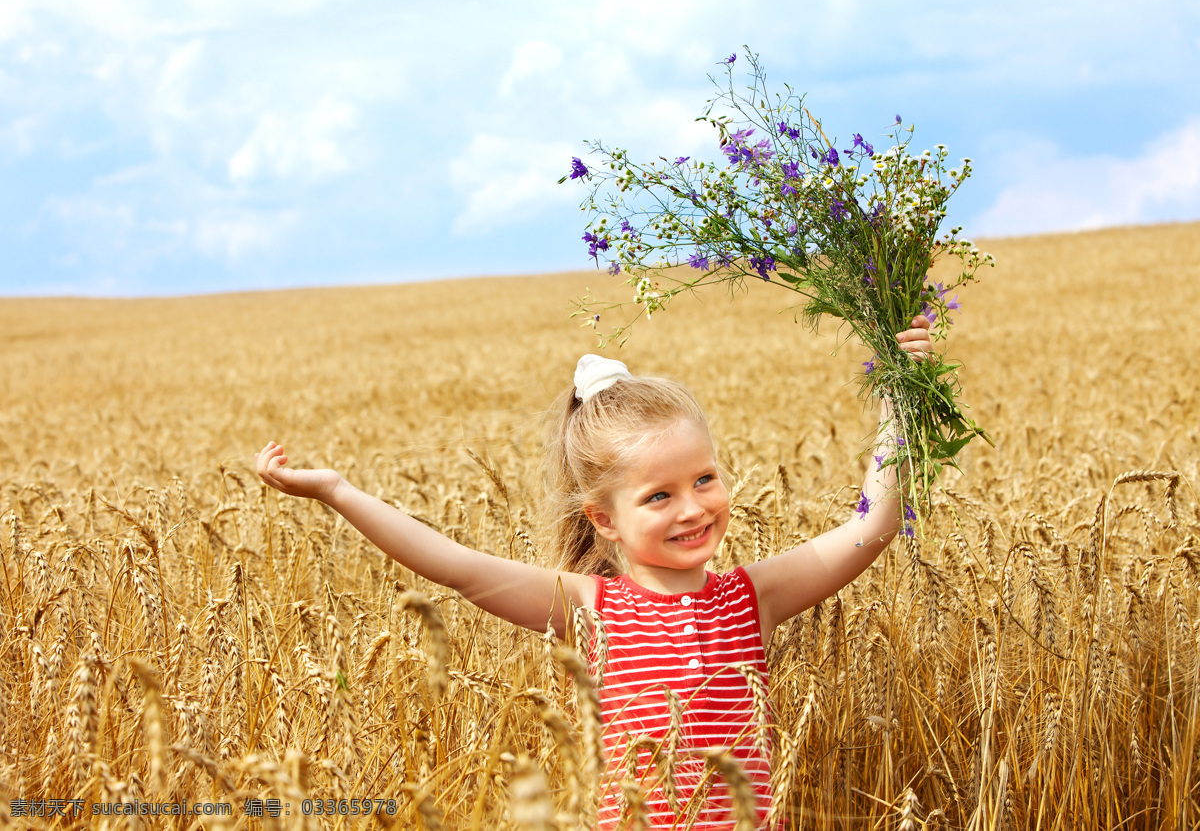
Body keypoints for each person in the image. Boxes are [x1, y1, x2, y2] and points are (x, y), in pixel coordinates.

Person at [255, 316, 933, 829]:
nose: (693, 507)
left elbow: (870, 528)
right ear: (604, 519)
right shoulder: (592, 605)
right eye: (659, 495)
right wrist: (337, 490)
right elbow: (456, 567)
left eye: (705, 478)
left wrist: (897, 399)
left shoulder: (751, 597)